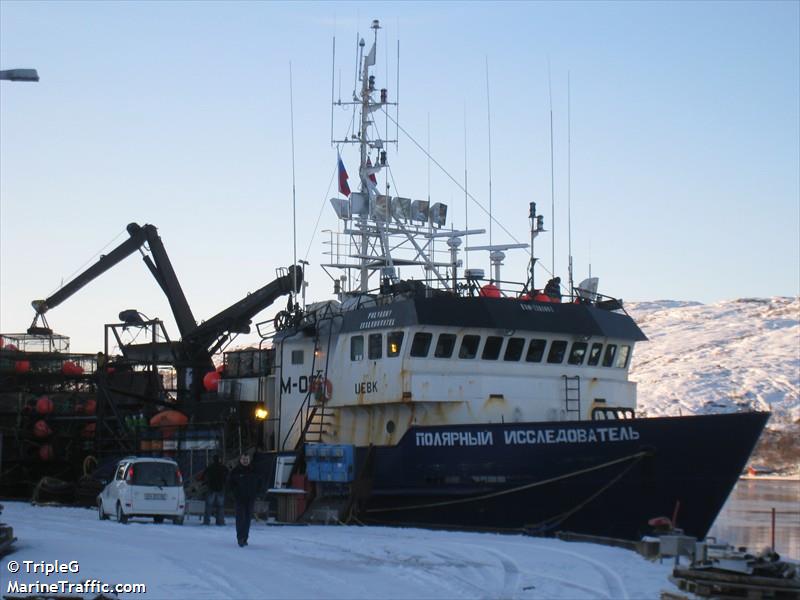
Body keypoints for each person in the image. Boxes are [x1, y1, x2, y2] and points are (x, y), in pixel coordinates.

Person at [228, 453, 262, 547]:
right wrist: (233, 496)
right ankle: (240, 538)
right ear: (240, 460)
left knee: (247, 519)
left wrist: (258, 494)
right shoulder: (235, 471)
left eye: (247, 459)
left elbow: (260, 483)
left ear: (249, 459)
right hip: (239, 499)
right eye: (243, 459)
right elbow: (230, 485)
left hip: (250, 499)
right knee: (240, 519)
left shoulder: (254, 470)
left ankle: (245, 538)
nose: (245, 461)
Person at [203, 455, 228, 526]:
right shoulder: (223, 468)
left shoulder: (210, 467)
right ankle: (220, 521)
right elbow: (227, 476)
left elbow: (204, 476)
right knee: (220, 506)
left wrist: (207, 483)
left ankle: (206, 521)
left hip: (211, 488)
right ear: (219, 460)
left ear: (213, 460)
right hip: (220, 489)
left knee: (208, 506)